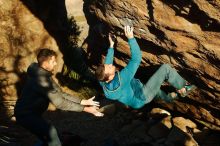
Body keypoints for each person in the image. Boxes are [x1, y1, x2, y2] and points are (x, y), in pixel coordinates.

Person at [14, 48, 103, 146]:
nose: (55, 63)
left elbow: (60, 94)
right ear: (44, 61)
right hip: (25, 115)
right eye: (53, 61)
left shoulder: (43, 75)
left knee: (48, 136)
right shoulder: (41, 80)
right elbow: (60, 103)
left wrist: (83, 102)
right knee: (51, 132)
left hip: (30, 113)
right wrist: (86, 109)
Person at [95, 26, 196, 109]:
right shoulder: (122, 79)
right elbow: (136, 59)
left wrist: (111, 46)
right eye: (109, 67)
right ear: (109, 77)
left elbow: (106, 66)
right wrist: (131, 38)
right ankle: (183, 88)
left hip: (135, 97)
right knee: (165, 69)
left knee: (155, 87)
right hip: (142, 96)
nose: (110, 64)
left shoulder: (103, 82)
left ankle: (168, 99)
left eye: (107, 65)